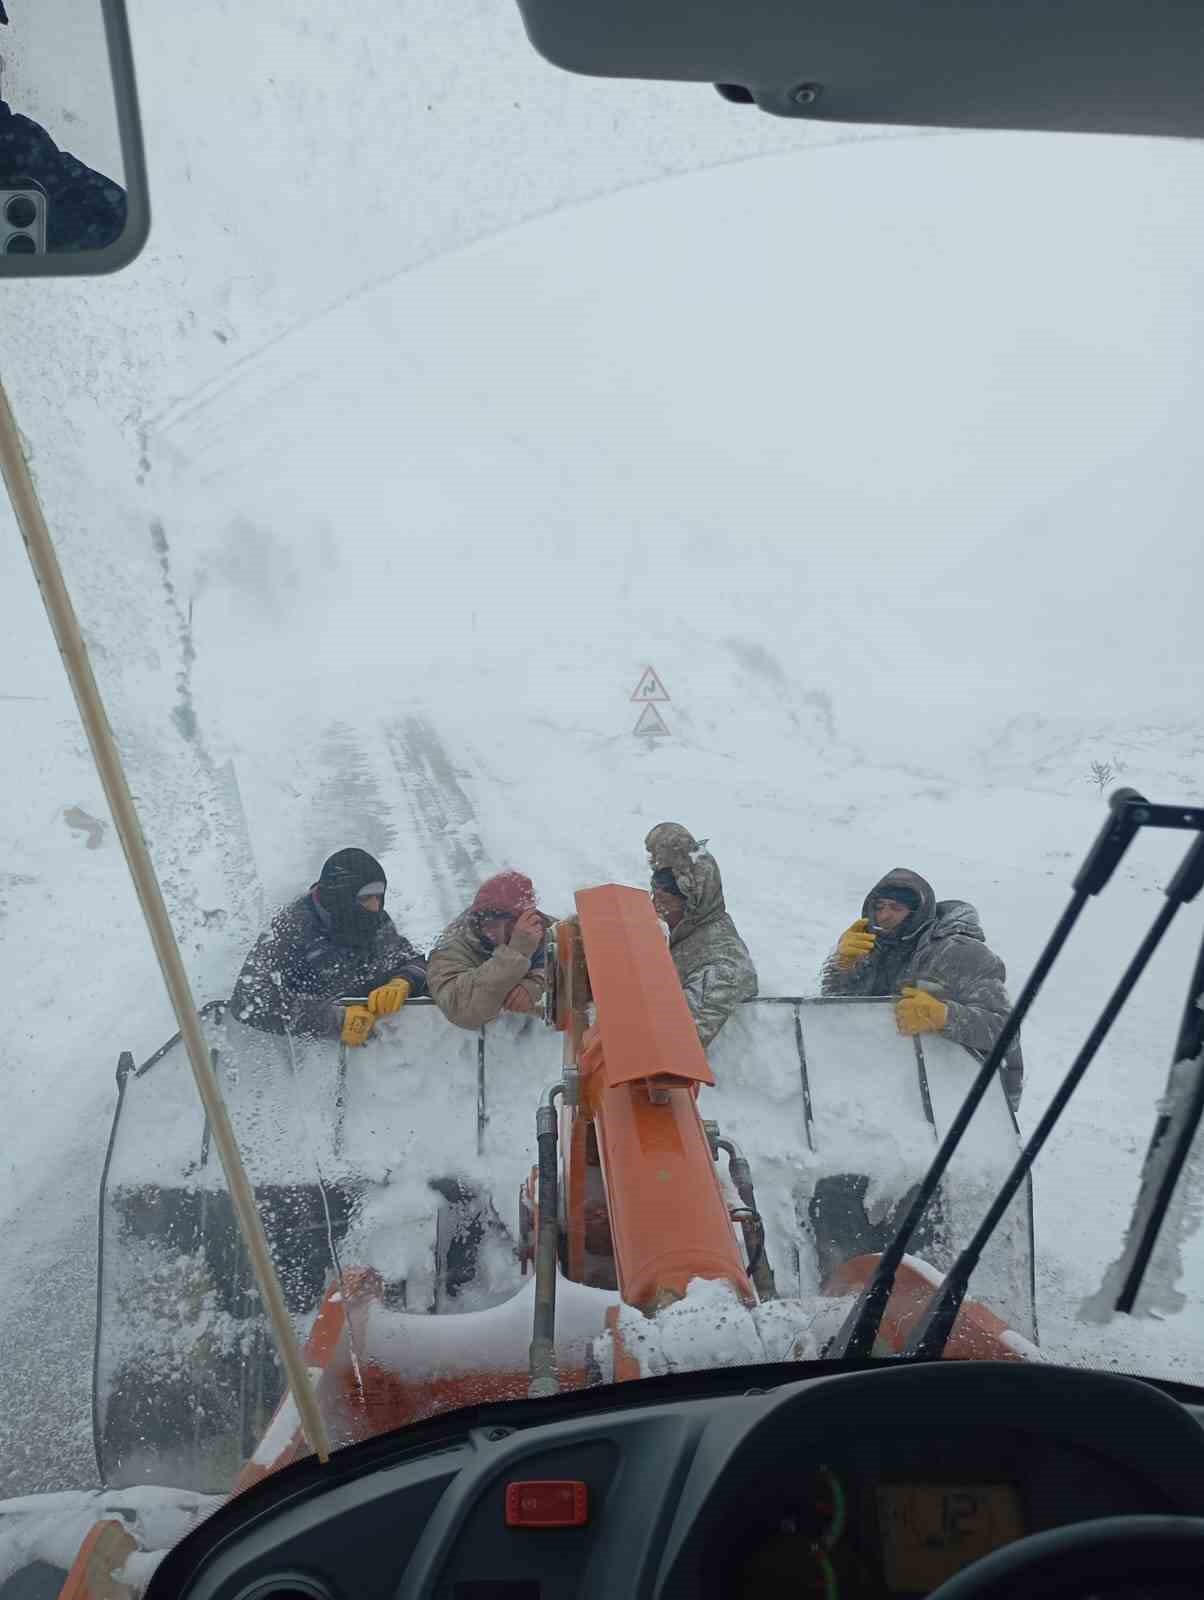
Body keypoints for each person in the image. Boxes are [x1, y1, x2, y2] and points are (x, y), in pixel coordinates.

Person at [821, 867, 1024, 1110]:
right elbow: (834, 1013)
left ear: (918, 913)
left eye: (896, 908)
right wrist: (841, 965)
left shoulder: (960, 952)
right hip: (895, 1092)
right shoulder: (870, 947)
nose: (884, 916)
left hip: (967, 1099)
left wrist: (945, 1016)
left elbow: (1006, 1032)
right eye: (880, 907)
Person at [230, 848, 428, 1048]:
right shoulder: (289, 928)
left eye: (379, 896)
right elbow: (248, 999)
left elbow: (411, 959)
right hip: (305, 1060)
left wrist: (404, 980)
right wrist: (334, 1020)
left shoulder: (374, 920)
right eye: (366, 897)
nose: (376, 906)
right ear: (341, 895)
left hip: (374, 1051)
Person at [645, 822, 758, 1048]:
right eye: (654, 898)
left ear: (692, 902)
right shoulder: (683, 936)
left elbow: (675, 1039)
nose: (656, 909)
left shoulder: (724, 964)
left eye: (665, 902)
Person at [427, 871, 551, 1030]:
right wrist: (516, 954)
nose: (495, 933)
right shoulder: (452, 946)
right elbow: (460, 1008)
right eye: (489, 923)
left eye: (512, 924)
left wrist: (538, 983)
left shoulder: (546, 929)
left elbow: (584, 969)